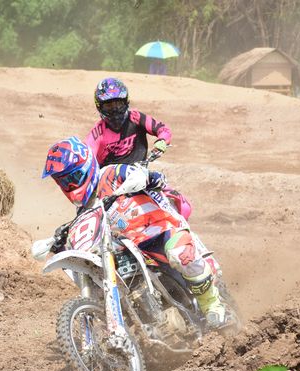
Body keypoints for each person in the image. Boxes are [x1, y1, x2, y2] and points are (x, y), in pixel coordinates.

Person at [41, 136, 236, 329]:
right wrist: (60, 244)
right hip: (130, 248)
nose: (70, 185)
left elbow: (144, 174)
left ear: (87, 166)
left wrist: (146, 177)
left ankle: (213, 307)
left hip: (160, 231)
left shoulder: (109, 174)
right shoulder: (84, 210)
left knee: (180, 255)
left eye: (72, 178)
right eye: (63, 182)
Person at [85, 77, 192, 219]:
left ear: (126, 102)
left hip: (141, 177)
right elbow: (86, 160)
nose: (115, 110)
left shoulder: (136, 118)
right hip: (112, 187)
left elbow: (163, 129)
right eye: (109, 106)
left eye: (118, 104)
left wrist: (161, 141)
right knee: (92, 215)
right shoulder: (97, 133)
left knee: (184, 207)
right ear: (100, 107)